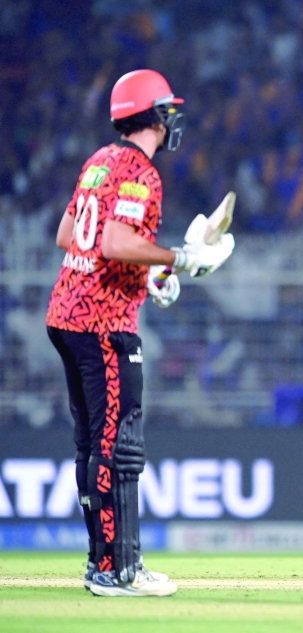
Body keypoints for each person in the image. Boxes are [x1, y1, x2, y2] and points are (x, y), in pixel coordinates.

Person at [46, 69, 234, 597]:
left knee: (91, 445)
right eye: (167, 110)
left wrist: (148, 277)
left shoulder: (99, 162)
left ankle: (99, 562)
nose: (173, 119)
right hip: (103, 324)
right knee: (119, 446)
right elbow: (112, 241)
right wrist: (178, 258)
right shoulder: (140, 171)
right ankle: (119, 570)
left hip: (66, 314)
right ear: (154, 115)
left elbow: (70, 236)